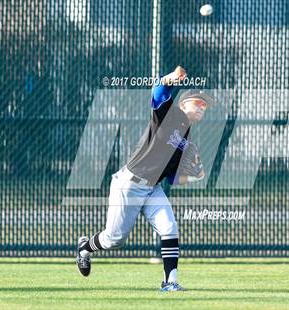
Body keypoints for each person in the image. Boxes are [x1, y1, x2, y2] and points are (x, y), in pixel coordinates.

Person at [76, 66, 214, 291]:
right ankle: (84, 248)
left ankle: (170, 283)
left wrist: (194, 178)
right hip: (130, 184)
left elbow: (171, 177)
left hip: (153, 188)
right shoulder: (170, 114)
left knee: (169, 228)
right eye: (198, 102)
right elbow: (159, 91)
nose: (202, 107)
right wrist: (171, 77)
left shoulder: (186, 136)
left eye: (204, 106)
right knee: (114, 239)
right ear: (183, 103)